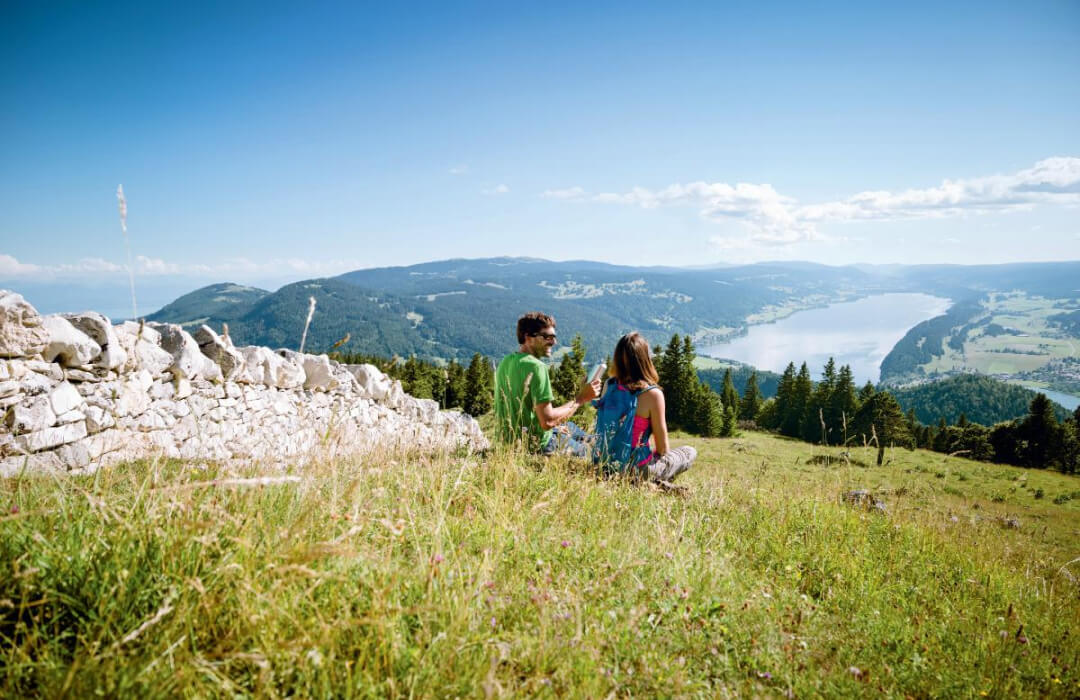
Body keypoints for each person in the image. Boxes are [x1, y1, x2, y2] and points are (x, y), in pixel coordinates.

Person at [493, 312, 601, 456]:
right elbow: (548, 422)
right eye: (547, 337)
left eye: (554, 337)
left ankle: (593, 440)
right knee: (590, 452)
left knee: (570, 427)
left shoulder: (506, 361)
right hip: (534, 446)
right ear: (528, 337)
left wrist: (553, 427)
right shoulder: (537, 367)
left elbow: (532, 414)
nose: (553, 342)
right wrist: (581, 398)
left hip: (508, 441)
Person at [602, 331, 696, 482]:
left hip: (604, 465)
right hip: (636, 471)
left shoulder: (609, 385)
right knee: (689, 452)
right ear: (645, 360)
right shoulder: (653, 394)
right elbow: (663, 449)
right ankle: (655, 481)